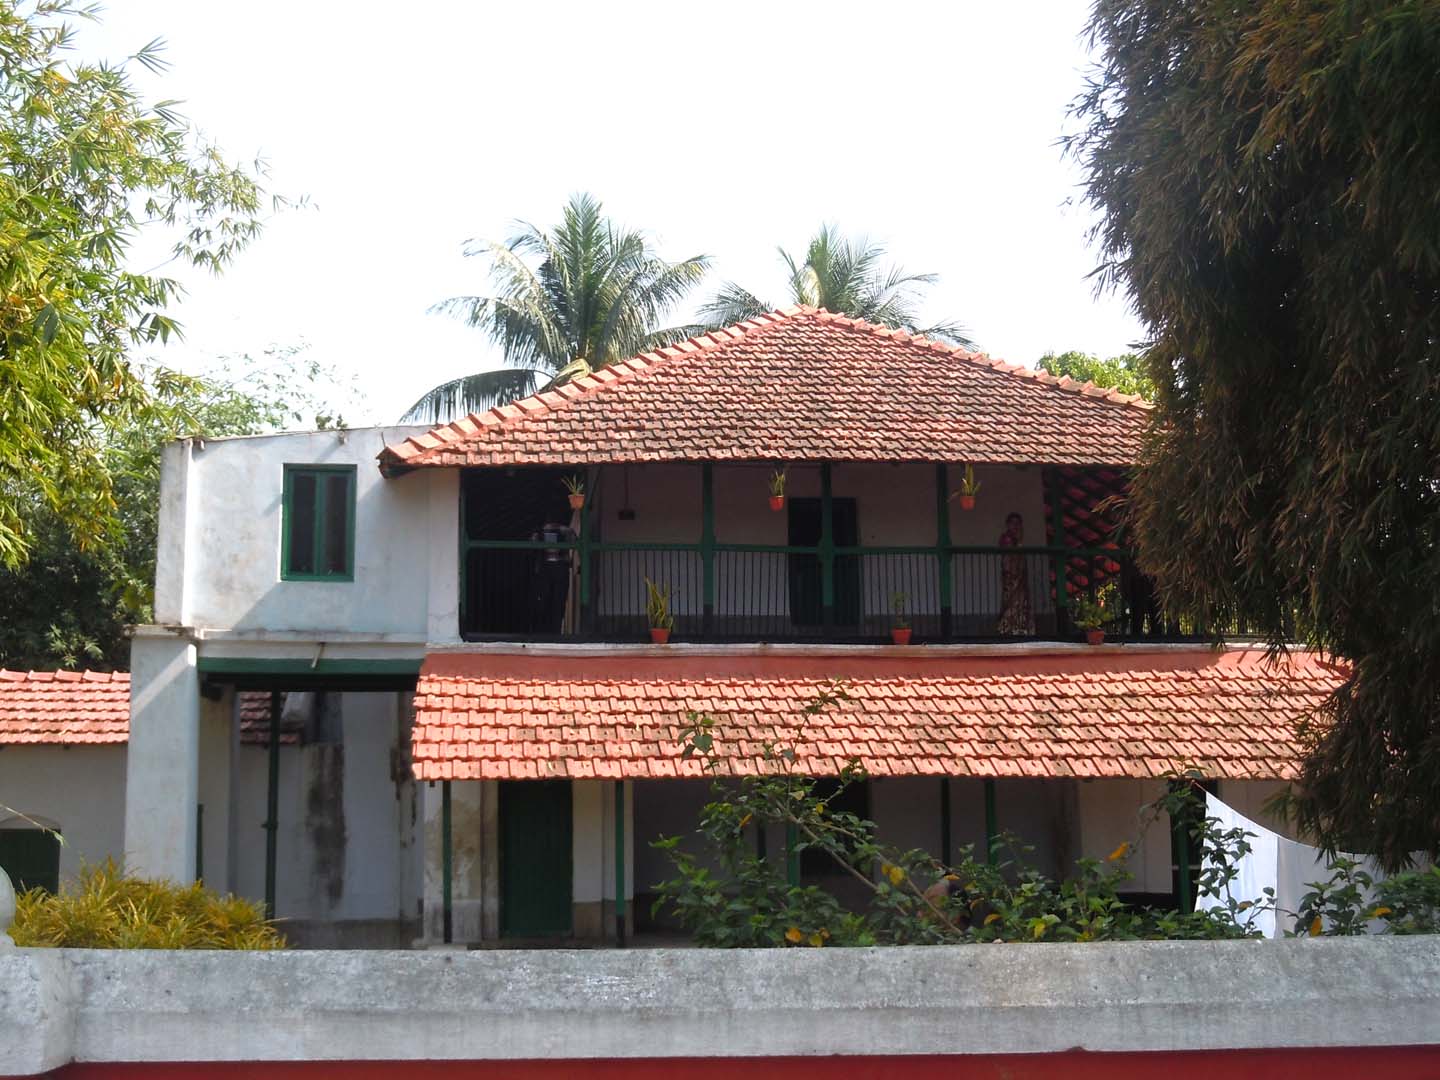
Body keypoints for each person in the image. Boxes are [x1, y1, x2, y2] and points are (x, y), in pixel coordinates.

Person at [996, 512, 1035, 636]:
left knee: (1021, 601)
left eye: (1018, 523)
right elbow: (1009, 557)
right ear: (1008, 525)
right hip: (1010, 576)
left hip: (1020, 575)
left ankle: (1020, 628)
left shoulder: (1017, 538)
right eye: (1013, 523)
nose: (1016, 526)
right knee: (1011, 602)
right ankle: (1007, 628)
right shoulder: (1006, 538)